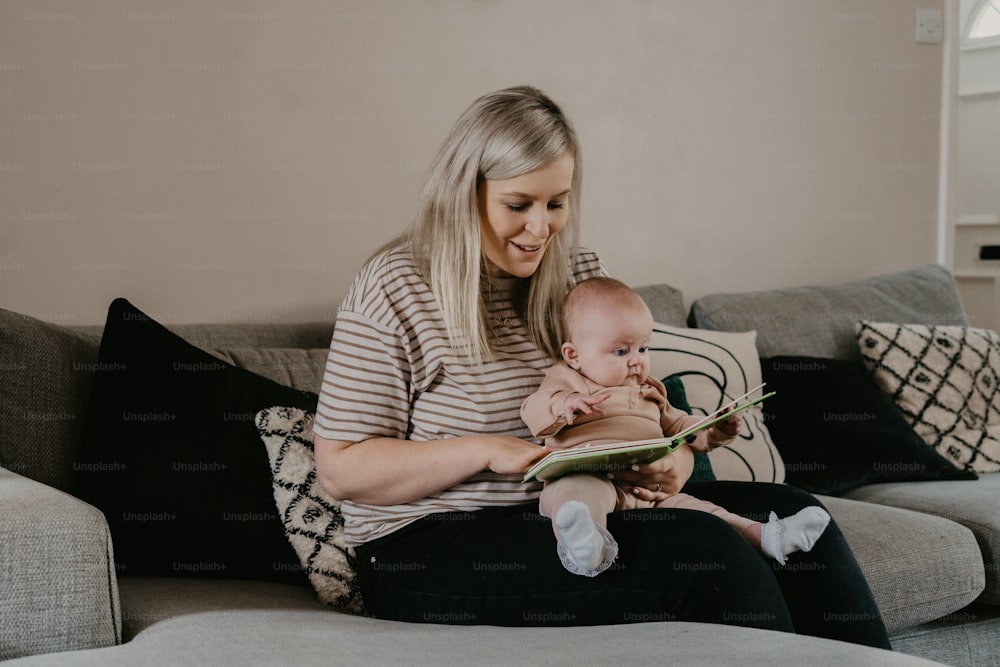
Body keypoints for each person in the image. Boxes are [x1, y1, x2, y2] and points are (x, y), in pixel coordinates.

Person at [312, 85, 890, 648]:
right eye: (518, 205)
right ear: (466, 194)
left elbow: (637, 397)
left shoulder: (579, 272)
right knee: (703, 554)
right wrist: (486, 450)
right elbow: (342, 470)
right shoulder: (395, 285)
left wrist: (679, 457)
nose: (541, 228)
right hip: (423, 545)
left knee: (796, 512)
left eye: (556, 204)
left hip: (590, 502)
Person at [521, 276, 831, 577]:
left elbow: (681, 425)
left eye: (643, 348)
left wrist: (711, 429)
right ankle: (586, 544)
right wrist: (563, 404)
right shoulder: (568, 379)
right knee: (574, 497)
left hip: (648, 491)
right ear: (573, 355)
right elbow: (533, 408)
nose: (636, 361)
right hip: (588, 475)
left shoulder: (651, 391)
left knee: (700, 512)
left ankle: (766, 536)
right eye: (621, 351)